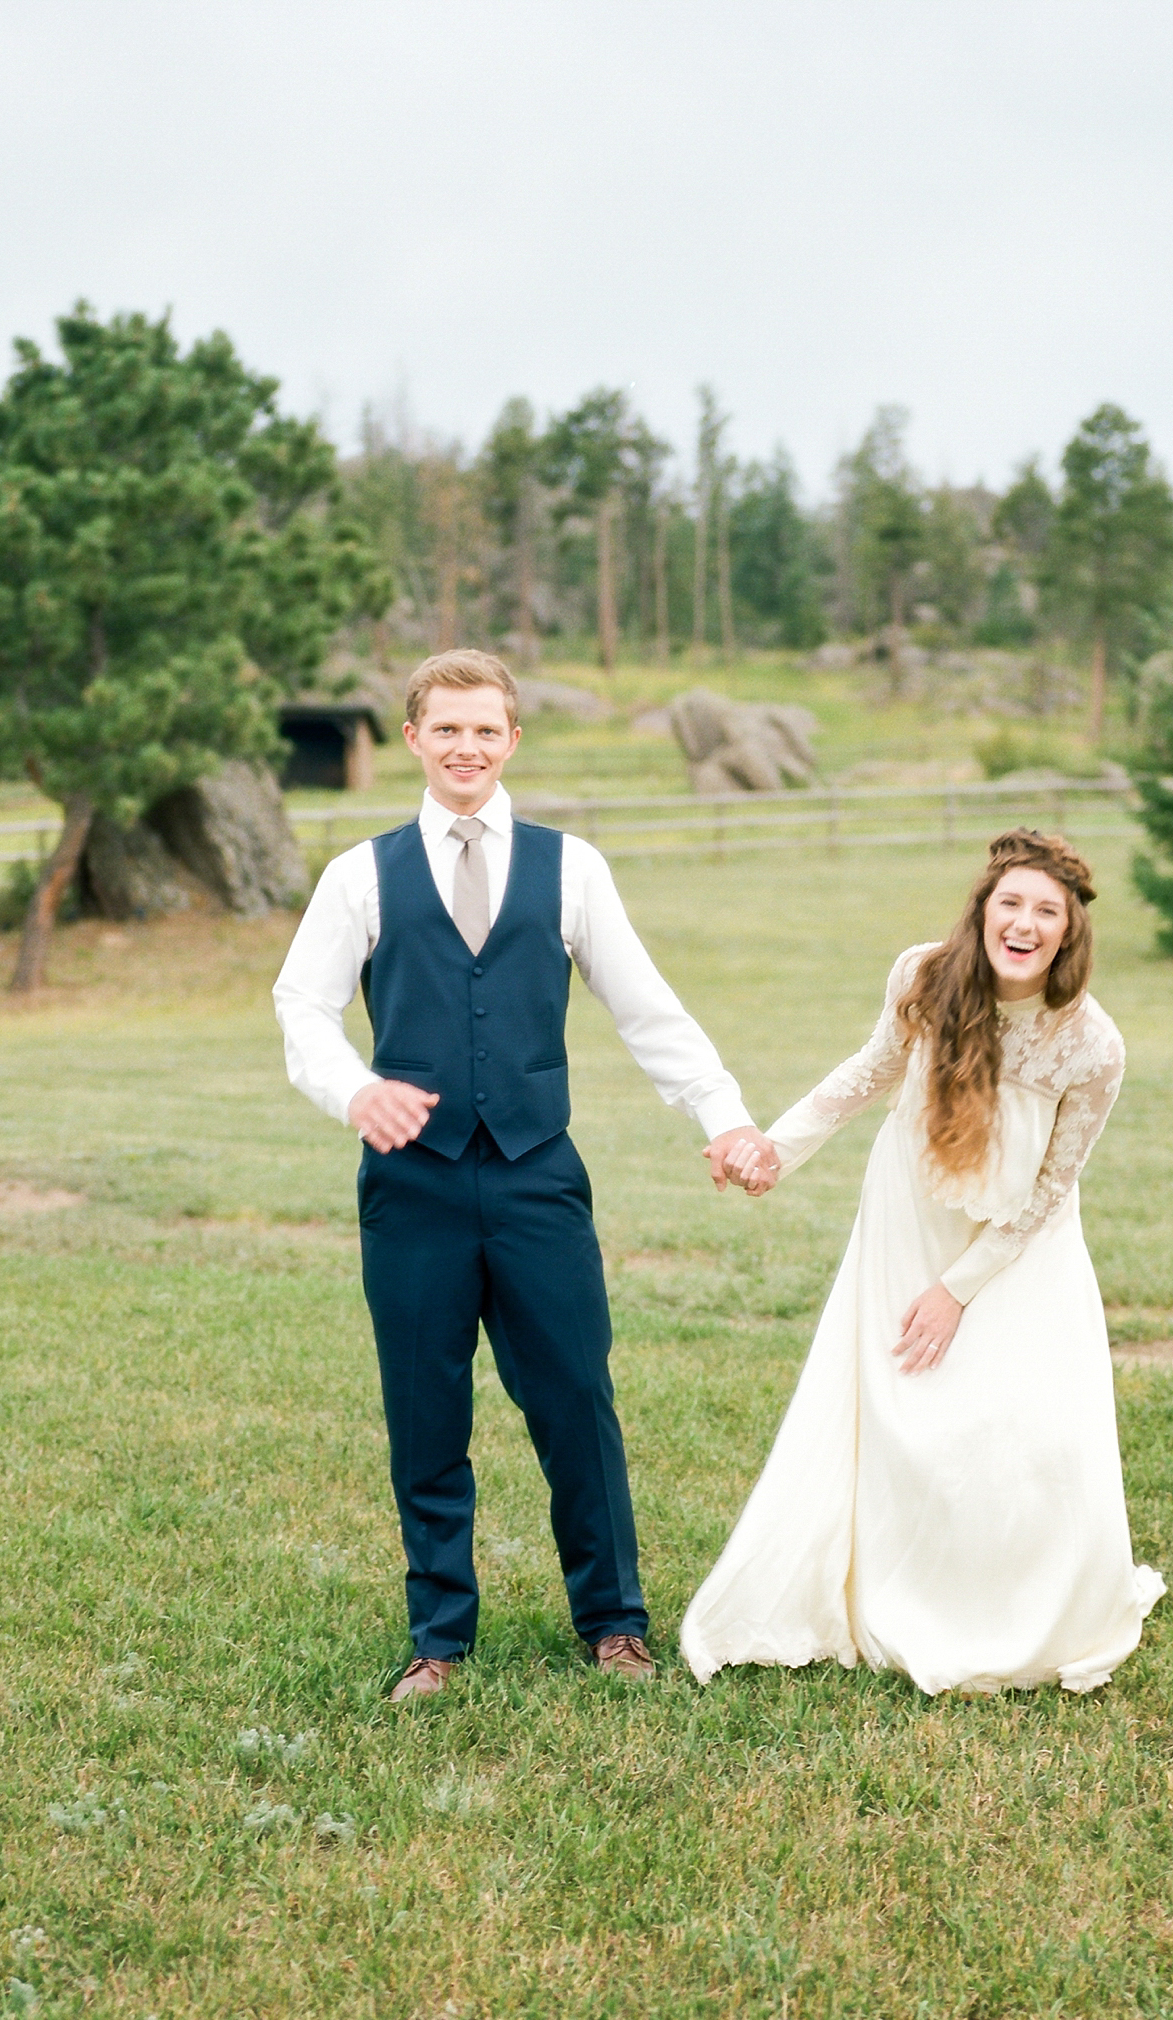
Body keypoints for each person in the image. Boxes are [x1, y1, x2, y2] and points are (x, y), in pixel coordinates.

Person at [274, 649, 773, 1698]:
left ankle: (614, 1623)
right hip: (412, 1188)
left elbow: (647, 1010)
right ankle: (439, 1640)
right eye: (446, 729)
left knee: (576, 1399)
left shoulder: (572, 867)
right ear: (413, 737)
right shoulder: (358, 874)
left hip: (539, 1178)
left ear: (512, 740)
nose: (466, 747)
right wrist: (356, 1091)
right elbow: (303, 1010)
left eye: (486, 730)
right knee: (426, 1409)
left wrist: (722, 1116)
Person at [682, 828, 1163, 1696]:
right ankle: (905, 1588)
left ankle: (1019, 1601)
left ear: (1068, 933)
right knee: (911, 1416)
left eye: (1044, 912)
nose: (1023, 923)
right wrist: (773, 1151)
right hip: (907, 1219)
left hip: (1018, 1252)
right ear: (982, 912)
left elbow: (1053, 1189)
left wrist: (958, 1293)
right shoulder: (922, 976)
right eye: (1008, 903)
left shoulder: (1092, 1046)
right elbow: (867, 1074)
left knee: (1021, 1430)